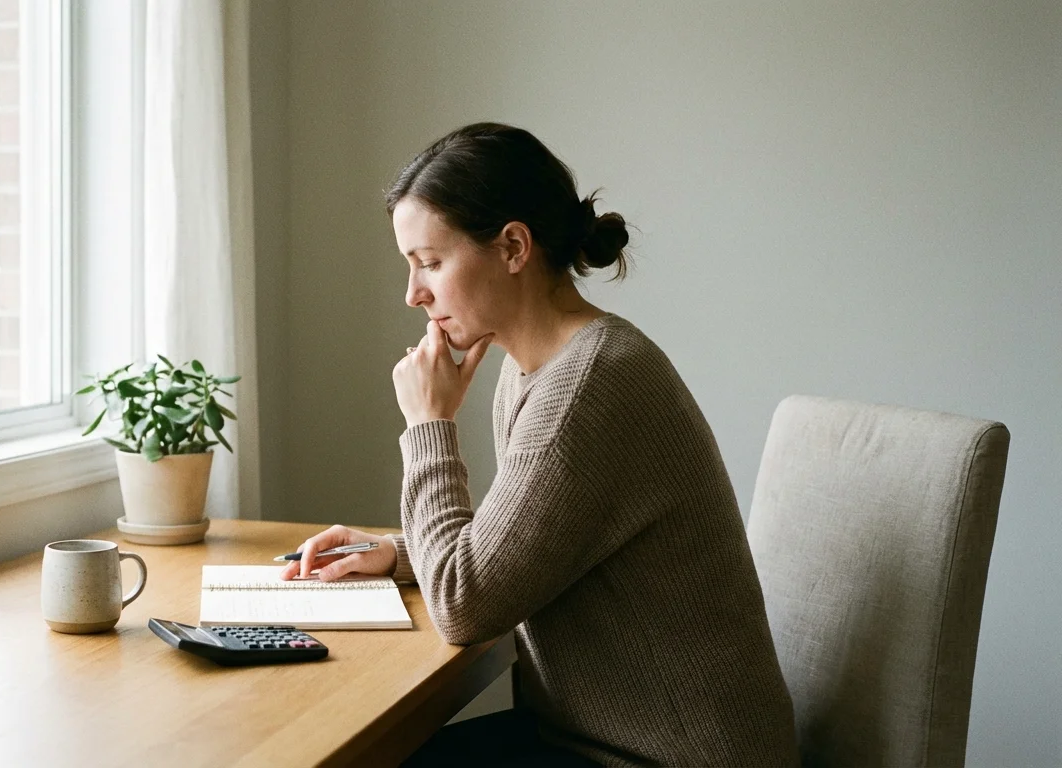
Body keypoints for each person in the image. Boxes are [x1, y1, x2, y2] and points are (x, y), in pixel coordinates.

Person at [280, 122, 798, 767]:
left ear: (514, 247)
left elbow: (465, 607)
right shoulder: (535, 366)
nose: (413, 294)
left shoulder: (590, 384)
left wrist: (429, 426)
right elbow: (522, 548)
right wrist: (395, 553)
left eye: (431, 263)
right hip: (594, 744)